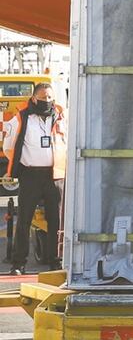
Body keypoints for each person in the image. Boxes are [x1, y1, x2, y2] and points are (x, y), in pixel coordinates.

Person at [3, 82, 67, 275]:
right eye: (43, 97)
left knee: (56, 221)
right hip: (30, 175)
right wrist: (22, 163)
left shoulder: (61, 117)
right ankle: (18, 263)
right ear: (34, 98)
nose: (47, 101)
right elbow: (8, 146)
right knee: (24, 220)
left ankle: (56, 260)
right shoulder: (22, 117)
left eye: (50, 97)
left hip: (55, 175)